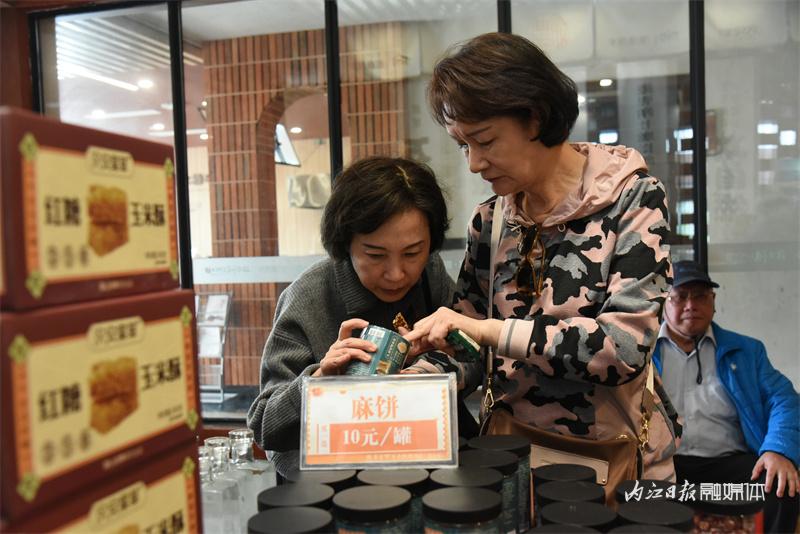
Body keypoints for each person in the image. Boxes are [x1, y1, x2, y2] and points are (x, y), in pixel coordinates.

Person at [404, 32, 680, 479]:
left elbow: (623, 347)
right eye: (463, 145)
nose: (474, 163)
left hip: (612, 462)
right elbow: (467, 345)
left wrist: (489, 330)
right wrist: (406, 381)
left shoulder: (633, 199)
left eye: (485, 141)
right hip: (511, 460)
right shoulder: (490, 220)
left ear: (534, 118)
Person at [246, 156, 470, 477]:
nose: (396, 274)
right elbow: (264, 425)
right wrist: (320, 381)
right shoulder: (308, 298)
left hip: (424, 465)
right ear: (344, 243)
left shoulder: (430, 276)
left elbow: (475, 358)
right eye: (375, 255)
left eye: (412, 253)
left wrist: (429, 369)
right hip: (334, 481)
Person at [653, 260, 799, 532]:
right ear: (664, 302)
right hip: (663, 466)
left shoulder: (746, 351)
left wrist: (777, 450)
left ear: (713, 301)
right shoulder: (642, 351)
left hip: (729, 467)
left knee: (780, 486)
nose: (690, 305)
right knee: (628, 491)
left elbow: (784, 400)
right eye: (680, 296)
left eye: (700, 296)